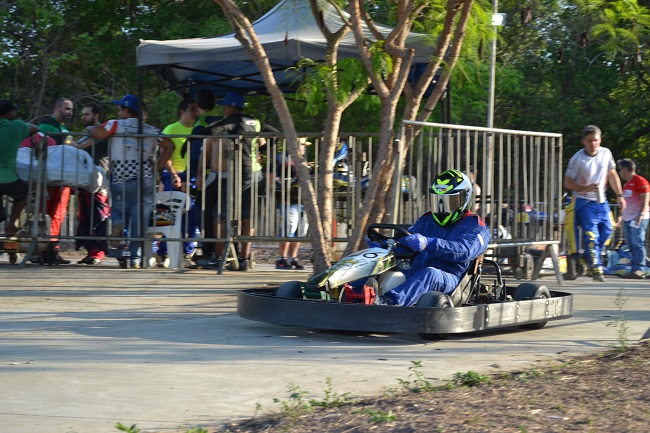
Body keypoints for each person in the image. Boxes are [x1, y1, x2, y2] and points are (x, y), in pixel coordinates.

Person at [372, 169, 491, 306]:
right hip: (416, 273)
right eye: (438, 200)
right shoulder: (427, 220)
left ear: (463, 199)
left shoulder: (476, 226)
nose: (442, 207)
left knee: (430, 274)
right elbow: (405, 242)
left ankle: (389, 303)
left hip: (451, 279)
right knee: (379, 262)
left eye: (449, 201)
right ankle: (353, 295)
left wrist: (430, 243)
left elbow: (464, 251)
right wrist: (383, 245)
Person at [87, 94, 174, 269]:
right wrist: (158, 166)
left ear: (126, 111)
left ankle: (118, 223)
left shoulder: (115, 125)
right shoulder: (151, 129)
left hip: (121, 175)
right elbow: (170, 146)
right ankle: (136, 258)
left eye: (120, 109)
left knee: (118, 209)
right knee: (140, 219)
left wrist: (90, 127)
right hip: (146, 177)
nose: (118, 112)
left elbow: (98, 133)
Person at [196, 91, 267, 271]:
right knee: (247, 217)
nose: (224, 110)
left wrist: (196, 134)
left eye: (226, 107)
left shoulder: (231, 121)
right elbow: (264, 142)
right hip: (255, 173)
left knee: (219, 214)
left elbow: (211, 131)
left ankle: (220, 258)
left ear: (231, 107)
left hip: (238, 174)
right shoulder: (255, 121)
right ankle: (244, 258)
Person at [564, 125, 626, 282]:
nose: (593, 144)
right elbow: (568, 183)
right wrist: (584, 187)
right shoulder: (577, 159)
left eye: (596, 140)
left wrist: (619, 195)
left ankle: (587, 256)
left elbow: (612, 174)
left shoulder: (606, 153)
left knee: (608, 231)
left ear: (600, 140)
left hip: (602, 200)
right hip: (584, 201)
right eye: (589, 141)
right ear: (584, 141)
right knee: (591, 236)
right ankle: (596, 268)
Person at [154, 98, 198, 266]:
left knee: (191, 215)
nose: (194, 113)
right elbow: (166, 155)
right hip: (172, 176)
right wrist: (174, 175)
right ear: (182, 111)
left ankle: (186, 253)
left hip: (191, 177)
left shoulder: (197, 129)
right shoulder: (171, 129)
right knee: (165, 214)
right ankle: (163, 252)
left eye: (196, 109)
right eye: (191, 109)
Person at [38, 98, 76, 264]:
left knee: (58, 215)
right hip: (50, 177)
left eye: (71, 110)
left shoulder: (64, 128)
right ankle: (44, 250)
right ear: (57, 107)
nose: (69, 112)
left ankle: (53, 249)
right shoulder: (46, 126)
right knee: (47, 213)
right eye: (67, 109)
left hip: (62, 178)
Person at [74, 102, 110, 265]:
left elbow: (80, 147)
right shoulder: (87, 134)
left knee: (98, 217)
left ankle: (98, 252)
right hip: (85, 182)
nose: (83, 117)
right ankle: (90, 252)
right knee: (85, 218)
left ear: (96, 116)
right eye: (82, 114)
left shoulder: (101, 133)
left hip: (99, 183)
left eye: (87, 114)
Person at [0, 100, 39, 236]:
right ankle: (11, 227)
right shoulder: (16, 126)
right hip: (7, 179)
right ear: (9, 114)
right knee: (24, 195)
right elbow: (35, 128)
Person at [275, 137, 311, 270]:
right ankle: (282, 258)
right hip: (288, 201)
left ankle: (293, 257)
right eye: (302, 145)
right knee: (288, 228)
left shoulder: (304, 161)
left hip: (304, 201)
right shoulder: (281, 158)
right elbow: (273, 177)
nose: (304, 148)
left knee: (301, 231)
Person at [616, 158, 649, 279]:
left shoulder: (640, 181)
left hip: (638, 218)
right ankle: (634, 268)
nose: (619, 173)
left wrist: (641, 214)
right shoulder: (626, 184)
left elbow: (646, 198)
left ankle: (640, 269)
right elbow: (625, 202)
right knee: (630, 243)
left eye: (620, 170)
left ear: (625, 169)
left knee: (637, 242)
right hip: (628, 218)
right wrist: (620, 216)